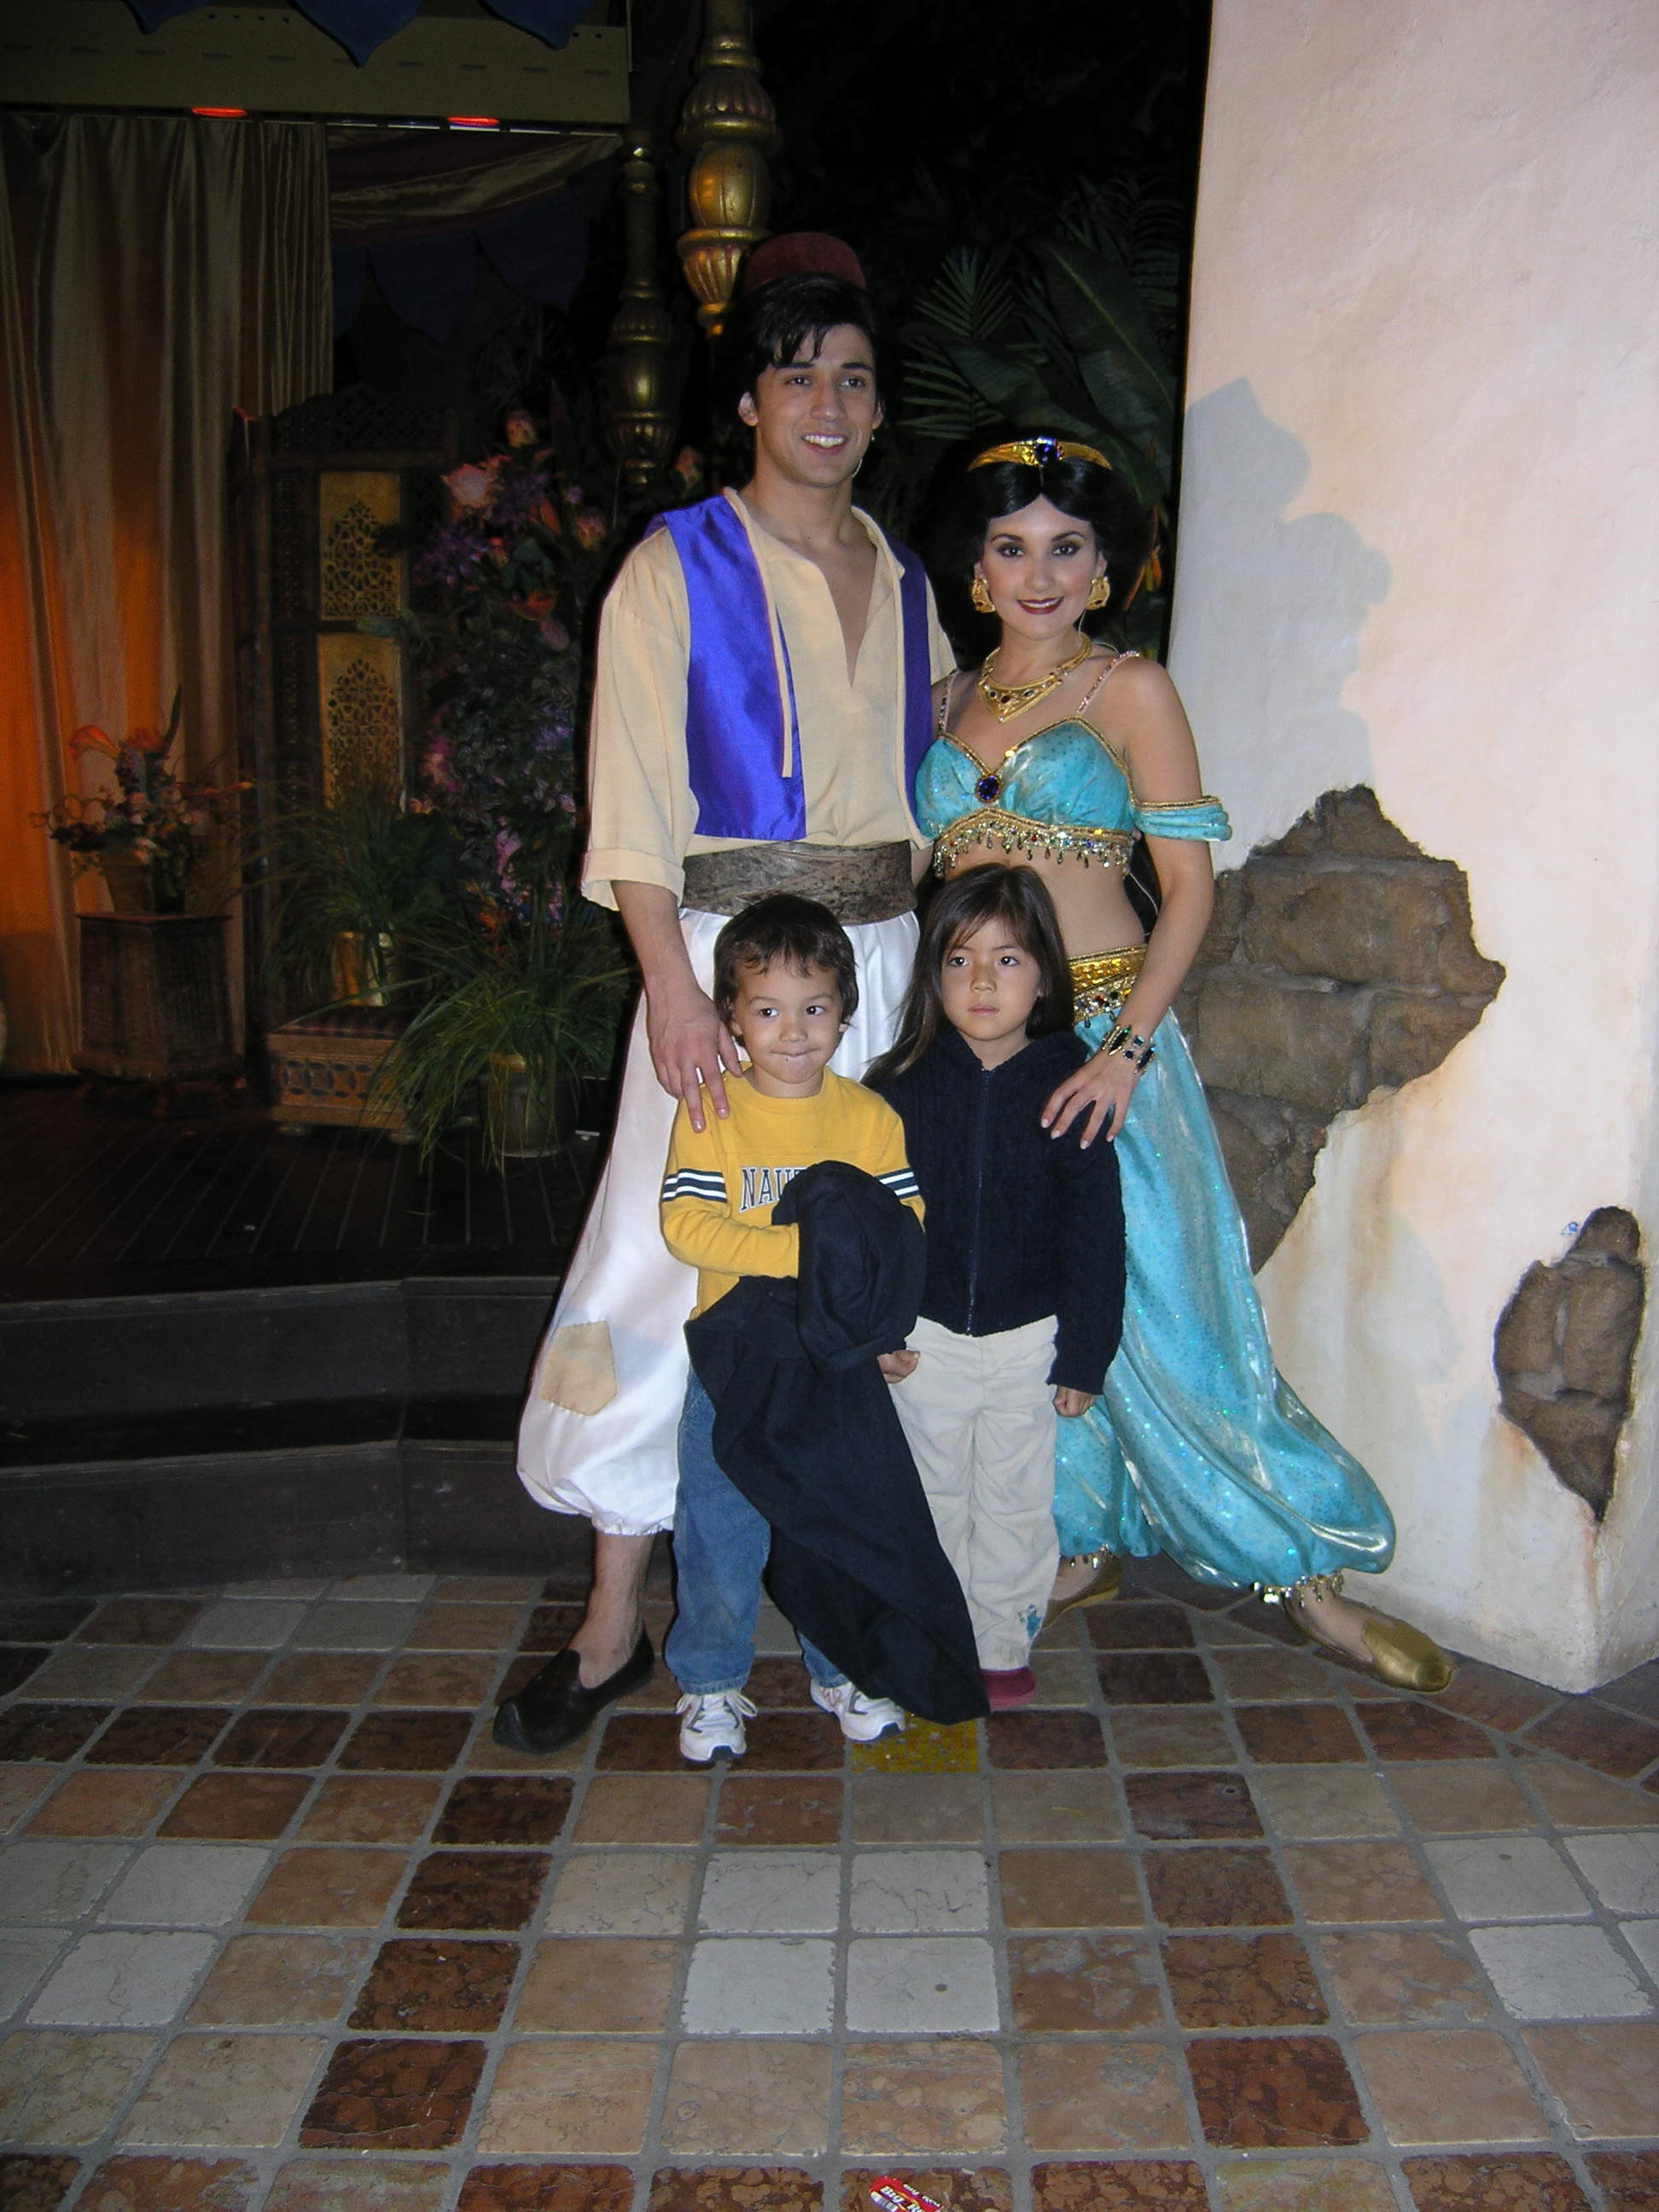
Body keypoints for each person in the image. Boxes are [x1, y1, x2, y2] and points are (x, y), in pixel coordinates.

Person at [497, 236, 955, 1758]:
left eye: (854, 379)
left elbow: (953, 764)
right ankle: (611, 1621)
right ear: (747, 399)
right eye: (795, 375)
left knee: (849, 1266)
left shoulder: (905, 577)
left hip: (877, 974)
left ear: (879, 406)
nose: (826, 404)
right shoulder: (670, 567)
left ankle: (843, 1597)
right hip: (720, 977)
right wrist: (673, 995)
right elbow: (630, 803)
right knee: (660, 1258)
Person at [910, 432, 1452, 1692]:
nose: (1039, 573)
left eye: (1067, 547)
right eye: (1012, 547)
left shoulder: (1129, 691)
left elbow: (1189, 892)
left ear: (1104, 566)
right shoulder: (941, 701)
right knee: (1019, 1299)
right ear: (977, 566)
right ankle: (1075, 1536)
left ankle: (1307, 1574)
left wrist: (1126, 1053)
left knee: (1173, 1313)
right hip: (984, 1050)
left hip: (1108, 1037)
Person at [659, 894, 921, 1761]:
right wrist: (807, 1253)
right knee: (720, 1528)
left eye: (814, 1008)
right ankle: (709, 1685)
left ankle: (839, 1665)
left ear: (845, 1015)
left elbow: (903, 1233)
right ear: (732, 1020)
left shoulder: (868, 1119)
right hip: (734, 1362)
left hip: (832, 1363)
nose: (794, 1031)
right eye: (768, 1010)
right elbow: (687, 1228)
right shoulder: (713, 1111)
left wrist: (881, 1331)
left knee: (832, 1524)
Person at [867, 865, 1126, 1708]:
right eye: (960, 959)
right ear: (932, 975)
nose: (982, 981)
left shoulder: (1072, 1089)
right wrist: (877, 1329)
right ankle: (935, 1638)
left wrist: (1085, 1354)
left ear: (1045, 976)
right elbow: (872, 1229)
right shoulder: (896, 1092)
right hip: (924, 1341)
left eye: (1007, 960)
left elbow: (1096, 1235)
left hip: (1029, 1343)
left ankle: (1002, 1643)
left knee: (1014, 1502)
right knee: (930, 1497)